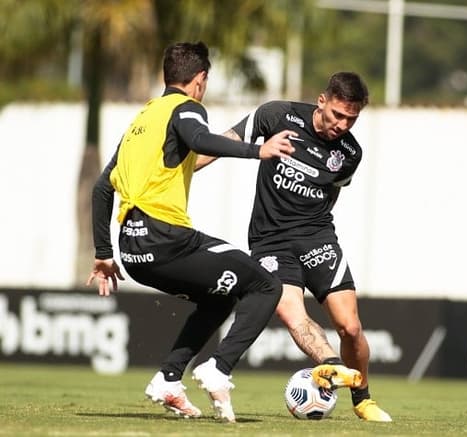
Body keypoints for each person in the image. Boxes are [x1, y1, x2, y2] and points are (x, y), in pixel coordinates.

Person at [86, 41, 316, 423]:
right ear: (200, 79)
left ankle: (169, 380)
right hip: (166, 239)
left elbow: (101, 188)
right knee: (265, 285)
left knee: (220, 296)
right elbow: (199, 139)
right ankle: (218, 369)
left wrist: (102, 252)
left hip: (133, 251)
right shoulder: (186, 108)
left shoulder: (142, 120)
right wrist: (258, 150)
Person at [197, 72, 391, 421]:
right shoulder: (277, 115)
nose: (342, 125)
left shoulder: (350, 153)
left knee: (350, 327)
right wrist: (180, 169)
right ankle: (332, 366)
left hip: (317, 237)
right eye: (337, 114)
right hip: (271, 241)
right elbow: (223, 142)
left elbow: (332, 191)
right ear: (321, 101)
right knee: (291, 312)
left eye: (352, 118)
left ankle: (362, 399)